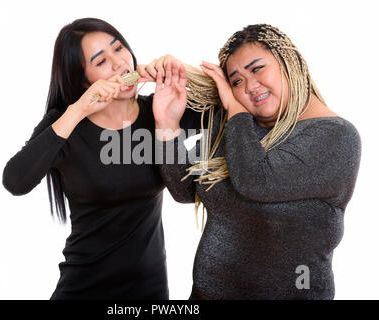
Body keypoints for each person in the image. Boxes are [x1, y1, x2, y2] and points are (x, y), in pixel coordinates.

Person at [143, 24, 361, 299]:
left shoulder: (336, 136)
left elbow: (256, 181)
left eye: (257, 69)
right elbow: (185, 190)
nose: (250, 86)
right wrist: (167, 124)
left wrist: (234, 109)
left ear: (289, 61)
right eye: (235, 81)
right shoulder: (243, 125)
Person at [1, 18, 199, 300]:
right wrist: (79, 109)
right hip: (82, 289)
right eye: (101, 61)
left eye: (119, 49)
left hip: (150, 291)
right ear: (84, 80)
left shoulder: (158, 109)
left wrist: (179, 73)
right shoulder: (66, 124)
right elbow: (15, 181)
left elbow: (226, 110)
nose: (119, 63)